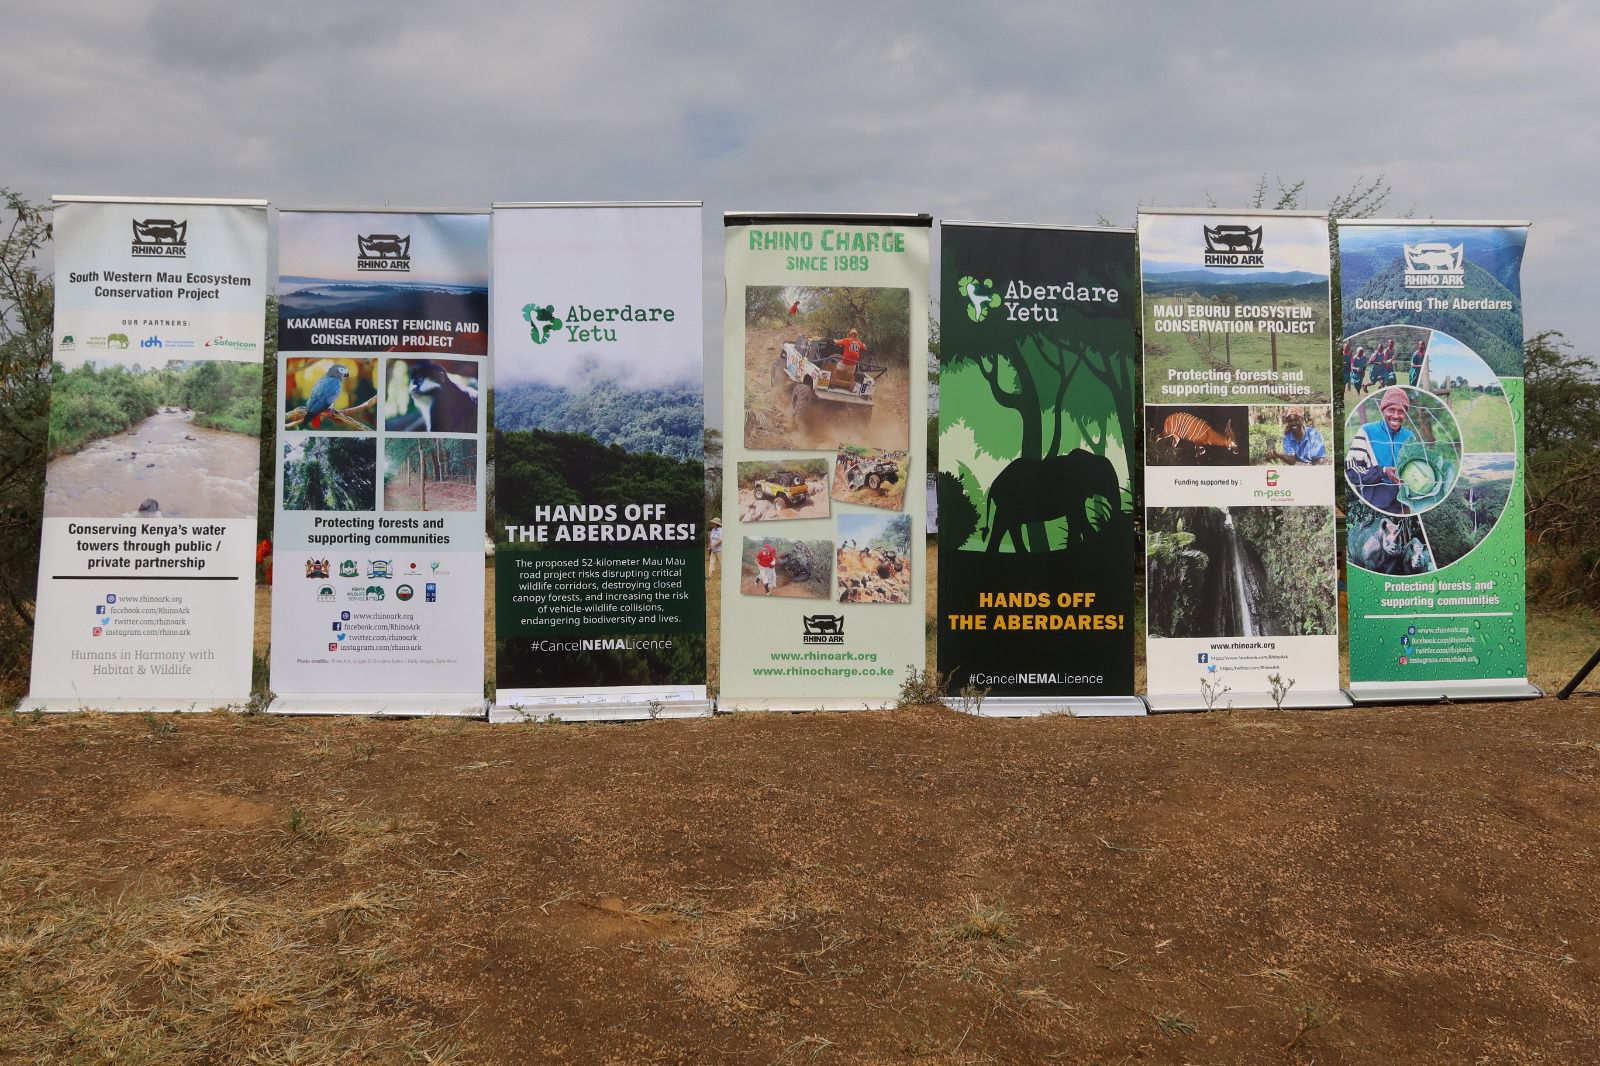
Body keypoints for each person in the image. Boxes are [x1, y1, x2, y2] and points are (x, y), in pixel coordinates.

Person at [1346, 387, 1416, 513]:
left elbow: (1414, 467)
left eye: (1401, 411)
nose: (1396, 415)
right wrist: (1382, 471)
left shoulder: (1409, 436)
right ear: (1383, 409)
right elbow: (1351, 471)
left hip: (1403, 505)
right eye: (1391, 410)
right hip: (1374, 505)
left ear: (1406, 413)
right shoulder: (1366, 431)